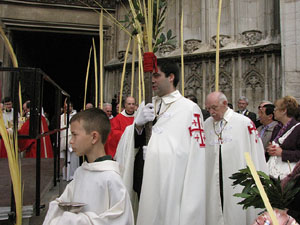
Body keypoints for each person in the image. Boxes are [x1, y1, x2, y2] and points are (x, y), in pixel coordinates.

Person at [115, 60, 206, 225]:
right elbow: (132, 143)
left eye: (156, 75)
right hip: (142, 178)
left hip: (169, 182)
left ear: (171, 77)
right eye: (151, 76)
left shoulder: (189, 109)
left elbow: (193, 154)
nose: (152, 80)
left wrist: (156, 151)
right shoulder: (146, 104)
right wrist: (138, 126)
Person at [43, 108, 134, 225]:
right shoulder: (81, 172)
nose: (71, 141)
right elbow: (63, 202)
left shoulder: (111, 178)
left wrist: (76, 221)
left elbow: (121, 220)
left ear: (94, 137)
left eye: (74, 135)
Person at [204, 91, 267, 225]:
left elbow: (255, 153)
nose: (211, 112)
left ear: (225, 104)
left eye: (214, 108)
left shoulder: (243, 123)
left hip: (237, 179)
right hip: (214, 179)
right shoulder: (206, 124)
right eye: (208, 109)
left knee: (235, 211)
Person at [266, 96, 300, 178]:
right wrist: (270, 149)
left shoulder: (298, 128)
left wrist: (282, 153)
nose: (274, 111)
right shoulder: (277, 127)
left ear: (284, 111)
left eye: (276, 109)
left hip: (288, 176)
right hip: (273, 172)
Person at [60, 102, 78, 181]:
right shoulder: (61, 117)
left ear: (72, 107)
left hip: (73, 139)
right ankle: (65, 175)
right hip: (64, 139)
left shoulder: (76, 117)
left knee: (73, 159)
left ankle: (73, 175)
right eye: (65, 107)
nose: (67, 108)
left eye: (69, 106)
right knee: (64, 159)